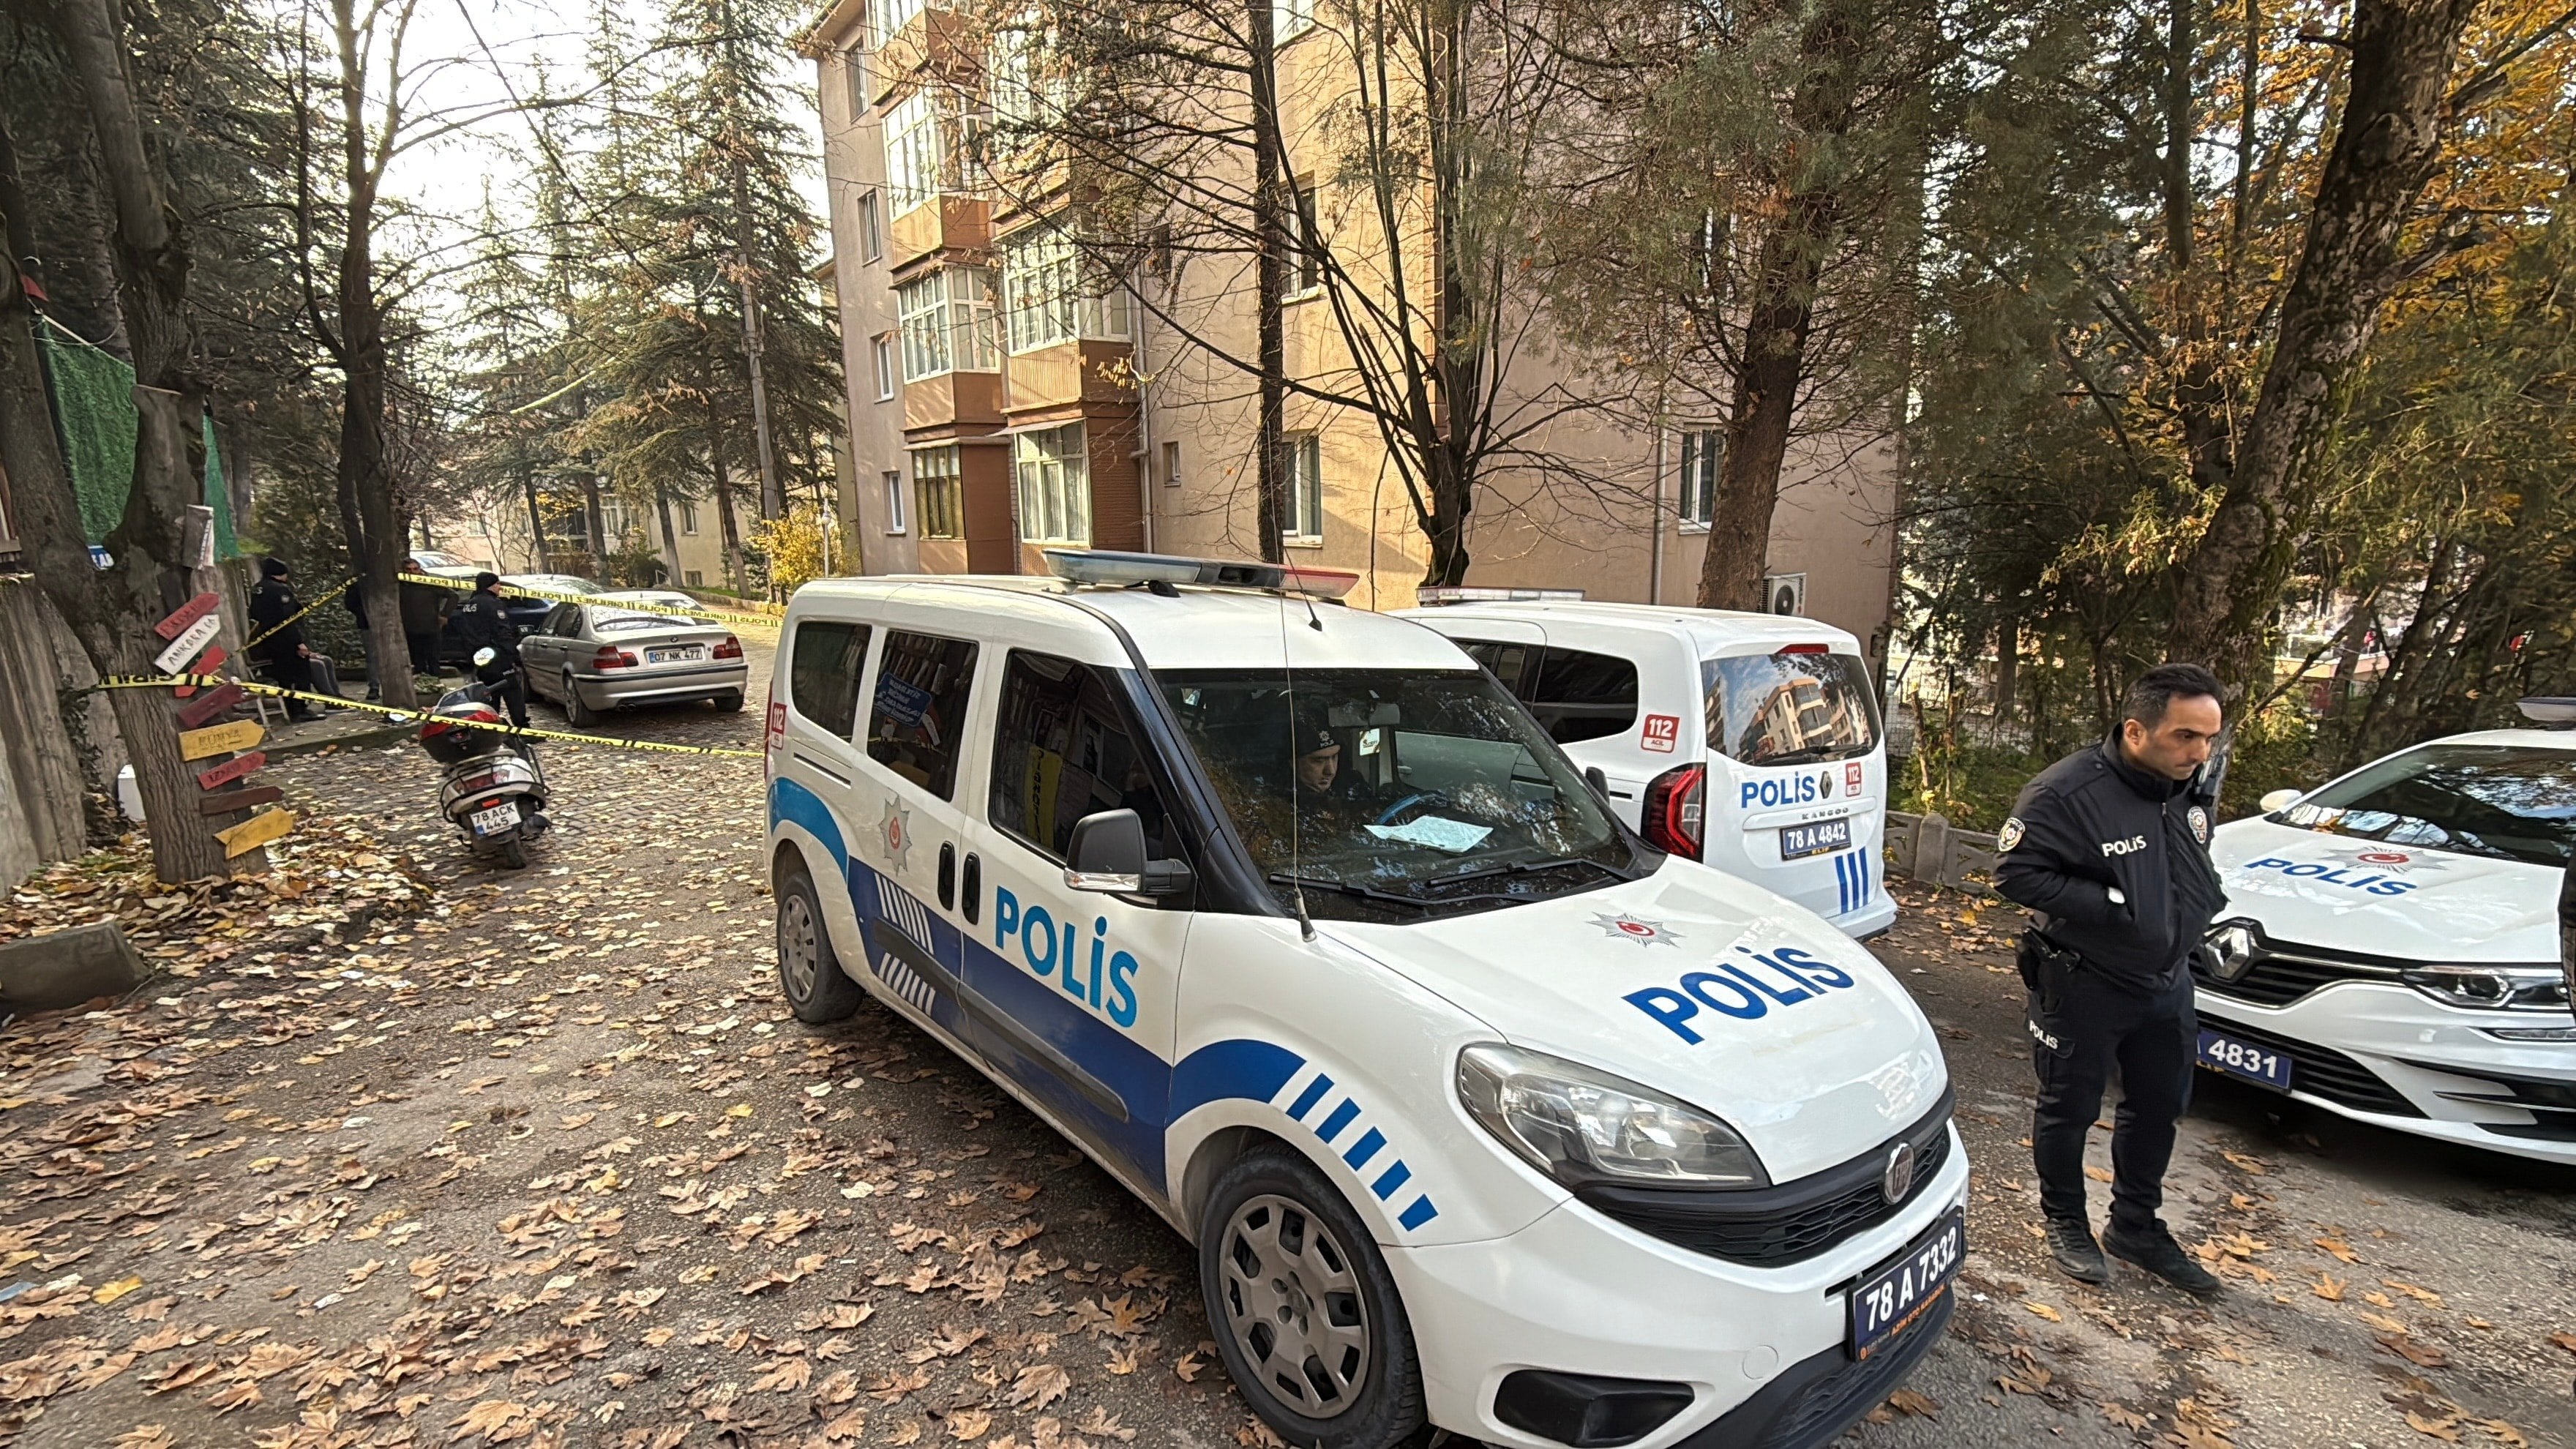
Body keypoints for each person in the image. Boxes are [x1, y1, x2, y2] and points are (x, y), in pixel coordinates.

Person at [1995, 662, 2229, 1296]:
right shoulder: (2065, 793)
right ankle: (2067, 1222)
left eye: (2208, 738)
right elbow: (2015, 873)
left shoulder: (2187, 785)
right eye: (2186, 736)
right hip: (2086, 981)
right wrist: (2111, 904)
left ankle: (2136, 1227)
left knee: (2159, 1108)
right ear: (2135, 731)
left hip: (2167, 982)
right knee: (2068, 1108)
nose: (2199, 752)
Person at [446, 572, 529, 730]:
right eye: (497, 584)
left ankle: (492, 727)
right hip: (497, 655)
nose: (500, 587)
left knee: (490, 693)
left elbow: (464, 632)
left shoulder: (470, 605)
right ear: (490, 585)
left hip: (479, 656)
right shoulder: (493, 604)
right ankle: (522, 729)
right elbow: (502, 632)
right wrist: (513, 655)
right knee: (513, 691)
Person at [247, 558, 326, 722]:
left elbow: (254, 614)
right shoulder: (279, 590)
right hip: (286, 641)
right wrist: (299, 642)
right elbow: (288, 620)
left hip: (268, 642)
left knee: (284, 678)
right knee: (299, 674)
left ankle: (292, 710)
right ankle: (300, 710)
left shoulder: (258, 589)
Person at [398, 558, 452, 681]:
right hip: (411, 630)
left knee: (434, 662)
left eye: (415, 569)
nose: (412, 572)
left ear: (420, 569)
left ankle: (436, 685)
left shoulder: (431, 584)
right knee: (418, 664)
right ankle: (422, 686)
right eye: (409, 570)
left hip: (432, 628)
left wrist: (444, 615)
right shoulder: (401, 586)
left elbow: (453, 596)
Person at [340, 578, 383, 701]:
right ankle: (374, 687)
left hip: (392, 624)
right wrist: (364, 613)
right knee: (372, 658)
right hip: (367, 624)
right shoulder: (358, 583)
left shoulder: (388, 579)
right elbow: (350, 603)